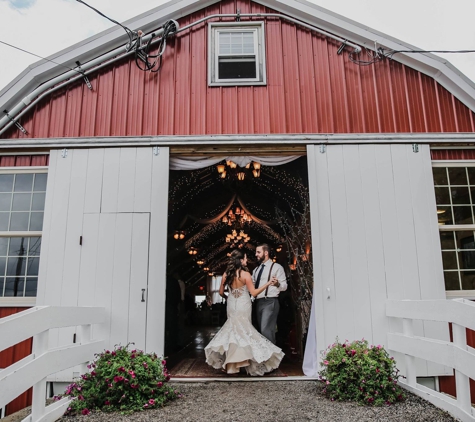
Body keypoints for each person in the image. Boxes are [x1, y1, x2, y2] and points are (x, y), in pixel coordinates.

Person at [204, 250, 284, 375]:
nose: (247, 261)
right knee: (245, 331)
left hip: (231, 303)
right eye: (245, 259)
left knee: (233, 331)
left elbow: (220, 293)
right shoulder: (246, 275)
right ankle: (241, 363)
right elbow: (254, 293)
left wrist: (228, 297)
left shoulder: (226, 274)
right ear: (241, 260)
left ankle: (232, 366)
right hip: (243, 304)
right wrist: (268, 283)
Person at [253, 244, 287, 345]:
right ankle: (269, 356)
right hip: (258, 302)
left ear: (266, 253)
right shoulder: (256, 270)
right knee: (263, 331)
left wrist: (277, 284)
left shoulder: (277, 267)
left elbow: (284, 286)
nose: (256, 254)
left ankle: (272, 356)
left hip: (270, 301)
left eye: (258, 252)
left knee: (265, 330)